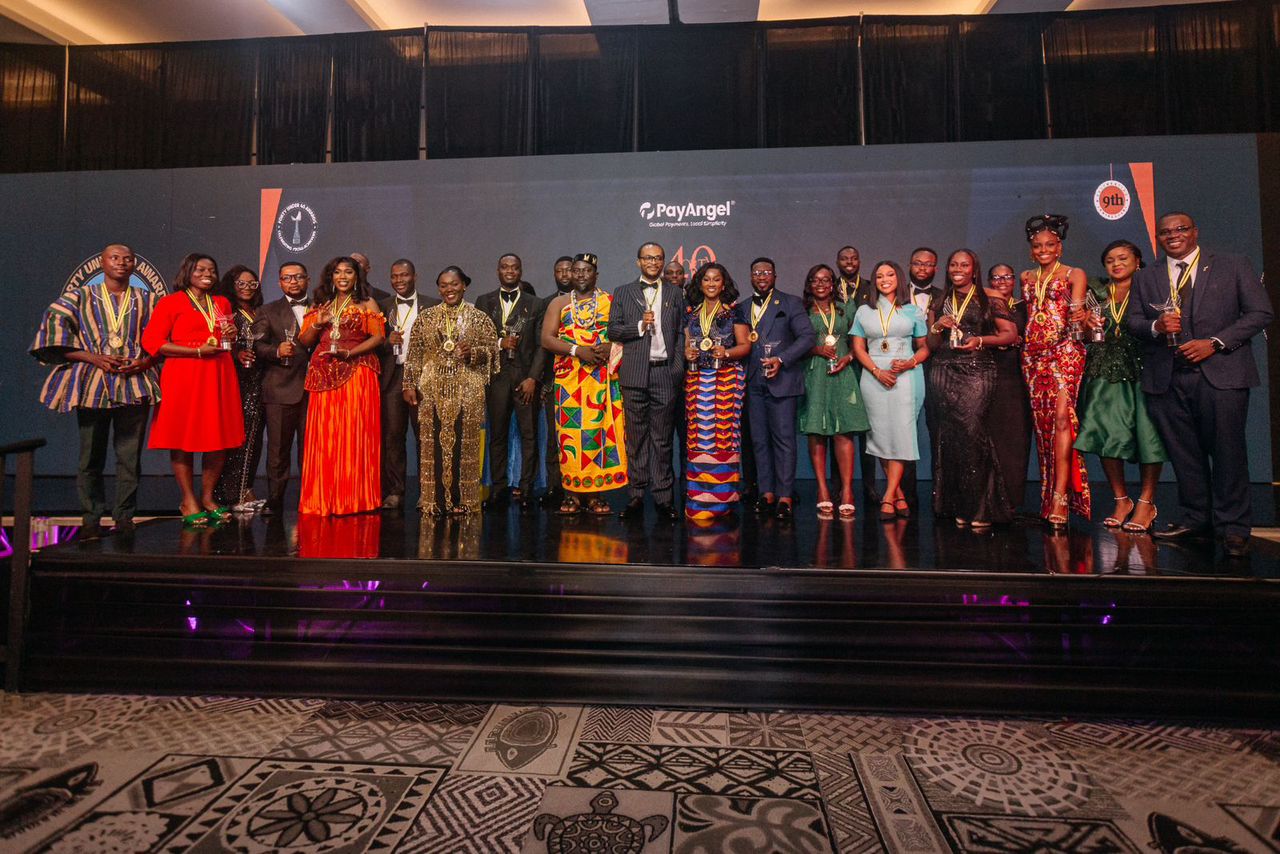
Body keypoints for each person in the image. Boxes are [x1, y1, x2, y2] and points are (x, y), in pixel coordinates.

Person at [1126, 212, 1273, 557]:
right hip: (1166, 378)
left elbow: (1260, 313)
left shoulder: (1233, 265)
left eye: (1180, 229)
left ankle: (1234, 527)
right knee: (1184, 454)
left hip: (1220, 374)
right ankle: (1196, 519)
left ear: (1195, 232)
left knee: (1228, 454)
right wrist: (1155, 328)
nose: (1173, 235)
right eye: (1165, 232)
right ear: (1159, 239)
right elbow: (1134, 321)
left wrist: (1216, 343)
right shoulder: (1146, 276)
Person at [30, 243, 161, 535]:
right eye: (115, 258)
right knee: (91, 455)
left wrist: (144, 362)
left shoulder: (149, 301)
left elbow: (164, 340)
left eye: (128, 259)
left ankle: (124, 517)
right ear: (101, 263)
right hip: (93, 384)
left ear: (135, 265)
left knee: (129, 456)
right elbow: (53, 337)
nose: (122, 263)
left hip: (134, 383)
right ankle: (91, 518)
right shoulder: (78, 297)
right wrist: (93, 357)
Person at [141, 253, 244, 526]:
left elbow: (223, 338)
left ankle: (208, 497)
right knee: (183, 438)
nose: (207, 273)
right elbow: (153, 341)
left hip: (219, 373)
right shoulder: (170, 303)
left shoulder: (221, 302)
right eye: (200, 269)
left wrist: (231, 337)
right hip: (184, 374)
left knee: (218, 438)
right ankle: (188, 499)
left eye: (212, 268)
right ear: (188, 272)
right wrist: (197, 350)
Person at [1073, 241, 1168, 533]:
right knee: (1103, 435)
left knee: (1148, 437)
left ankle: (1146, 502)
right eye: (1110, 260)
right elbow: (1087, 336)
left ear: (1137, 261)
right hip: (1103, 371)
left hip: (1142, 369)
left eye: (1123, 258)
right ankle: (1122, 499)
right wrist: (1087, 324)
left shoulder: (1151, 289)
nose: (1116, 264)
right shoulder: (1097, 292)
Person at [926, 249, 1019, 528]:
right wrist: (937, 328)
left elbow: (1010, 335)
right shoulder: (939, 299)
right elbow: (931, 347)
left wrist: (978, 341)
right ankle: (955, 505)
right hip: (943, 370)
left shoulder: (990, 296)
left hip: (978, 370)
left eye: (964, 265)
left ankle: (982, 508)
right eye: (953, 264)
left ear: (974, 269)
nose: (958, 268)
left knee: (972, 432)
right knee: (949, 436)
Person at [403, 266, 498, 515]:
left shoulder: (479, 318)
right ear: (438, 288)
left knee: (463, 447)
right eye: (444, 285)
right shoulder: (426, 318)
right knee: (432, 446)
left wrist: (473, 353)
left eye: (454, 284)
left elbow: (493, 355)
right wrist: (408, 384)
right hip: (432, 390)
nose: (449, 289)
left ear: (464, 285)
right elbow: (414, 354)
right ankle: (432, 501)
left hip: (467, 389)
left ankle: (463, 501)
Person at [539, 252, 628, 515]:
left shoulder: (610, 301)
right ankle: (571, 494)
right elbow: (546, 339)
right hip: (570, 381)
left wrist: (611, 345)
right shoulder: (559, 303)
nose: (579, 275)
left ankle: (595, 495)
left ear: (595, 275)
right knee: (571, 437)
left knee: (598, 435)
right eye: (576, 271)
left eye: (586, 271)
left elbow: (624, 335)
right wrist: (579, 351)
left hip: (602, 379)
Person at [295, 256, 386, 515]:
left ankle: (354, 498)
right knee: (325, 438)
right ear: (330, 276)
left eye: (348, 272)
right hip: (324, 373)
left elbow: (379, 337)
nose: (343, 276)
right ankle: (323, 497)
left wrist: (350, 353)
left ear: (357, 276)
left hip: (357, 372)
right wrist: (318, 323)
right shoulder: (321, 304)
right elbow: (305, 340)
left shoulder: (367, 303)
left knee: (354, 435)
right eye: (337, 272)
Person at [1020, 214, 1092, 529]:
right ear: (1031, 250)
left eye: (1049, 244)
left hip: (1065, 352)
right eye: (1037, 246)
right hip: (1033, 358)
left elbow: (1076, 314)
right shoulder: (1025, 277)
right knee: (1044, 428)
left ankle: (1062, 496)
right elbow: (1009, 304)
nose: (1043, 250)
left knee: (1063, 421)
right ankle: (1048, 496)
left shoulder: (1075, 273)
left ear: (1059, 246)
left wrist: (1086, 321)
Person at [607, 242, 685, 520]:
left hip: (665, 372)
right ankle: (636, 495)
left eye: (659, 258)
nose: (654, 262)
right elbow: (613, 330)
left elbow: (679, 334)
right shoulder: (623, 292)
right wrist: (639, 326)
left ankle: (664, 497)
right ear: (638, 262)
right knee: (636, 439)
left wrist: (676, 368)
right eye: (648, 258)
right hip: (634, 374)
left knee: (662, 440)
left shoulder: (676, 293)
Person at [736, 257, 815, 519]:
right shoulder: (743, 307)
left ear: (775, 276)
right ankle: (766, 493)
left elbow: (807, 337)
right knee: (759, 441)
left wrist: (781, 359)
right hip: (753, 382)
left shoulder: (790, 303)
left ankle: (785, 495)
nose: (761, 276)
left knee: (784, 441)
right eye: (756, 272)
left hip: (782, 381)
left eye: (766, 272)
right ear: (750, 277)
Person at [851, 261, 929, 521]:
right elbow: (858, 348)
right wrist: (876, 371)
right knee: (881, 436)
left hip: (905, 376)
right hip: (874, 376)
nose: (885, 279)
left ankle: (888, 494)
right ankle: (898, 495)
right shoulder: (864, 311)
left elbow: (924, 347)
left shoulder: (913, 311)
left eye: (890, 274)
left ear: (899, 278)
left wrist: (910, 362)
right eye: (879, 275)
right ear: (874, 281)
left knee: (902, 434)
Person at [798, 263, 869, 518]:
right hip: (814, 373)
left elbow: (859, 342)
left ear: (833, 284)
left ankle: (847, 491)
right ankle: (823, 490)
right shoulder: (802, 310)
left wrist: (848, 358)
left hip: (842, 372)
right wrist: (816, 350)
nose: (821, 284)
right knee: (816, 432)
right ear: (809, 284)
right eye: (815, 280)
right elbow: (794, 343)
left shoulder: (847, 307)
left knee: (844, 433)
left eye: (826, 279)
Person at [681, 262, 750, 521]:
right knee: (699, 437)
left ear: (724, 284)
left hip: (727, 380)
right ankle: (700, 499)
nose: (711, 284)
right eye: (706, 279)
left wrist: (728, 352)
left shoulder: (735, 312)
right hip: (697, 379)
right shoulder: (691, 313)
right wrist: (686, 352)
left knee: (724, 436)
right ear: (700, 283)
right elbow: (687, 343)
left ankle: (722, 500)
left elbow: (745, 346)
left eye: (716, 280)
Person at [476, 253, 542, 511]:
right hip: (496, 377)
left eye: (515, 267)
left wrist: (533, 378)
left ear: (521, 270)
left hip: (525, 378)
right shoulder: (484, 301)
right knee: (498, 435)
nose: (510, 271)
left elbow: (540, 347)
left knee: (529, 435)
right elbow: (476, 339)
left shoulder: (535, 304)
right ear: (498, 270)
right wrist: (499, 343)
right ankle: (499, 488)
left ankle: (526, 489)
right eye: (505, 267)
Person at [252, 262, 314, 516]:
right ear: (279, 282)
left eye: (299, 276)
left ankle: (311, 499)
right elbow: (257, 346)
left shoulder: (323, 308)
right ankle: (275, 499)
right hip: (280, 389)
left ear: (307, 280)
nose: (294, 282)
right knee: (278, 450)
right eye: (287, 278)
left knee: (311, 451)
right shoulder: (268, 310)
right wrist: (276, 351)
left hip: (317, 390)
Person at [377, 259, 438, 510]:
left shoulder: (433, 305)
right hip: (393, 377)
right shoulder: (381, 307)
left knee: (425, 436)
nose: (399, 280)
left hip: (424, 378)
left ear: (415, 276)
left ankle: (428, 491)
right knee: (393, 436)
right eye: (394, 276)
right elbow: (371, 341)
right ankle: (396, 491)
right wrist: (384, 341)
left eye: (404, 275)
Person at [212, 265, 266, 511]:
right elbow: (219, 342)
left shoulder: (259, 311)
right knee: (236, 438)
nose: (247, 288)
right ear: (231, 285)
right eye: (241, 284)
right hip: (235, 379)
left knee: (253, 439)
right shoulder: (226, 310)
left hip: (258, 379)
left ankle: (244, 488)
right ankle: (228, 494)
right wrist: (236, 353)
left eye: (252, 284)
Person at [983, 263, 1033, 513]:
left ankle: (1012, 500)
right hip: (989, 374)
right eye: (996, 277)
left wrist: (1019, 340)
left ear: (1015, 280)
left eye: (1007, 277)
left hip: (1018, 377)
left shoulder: (1026, 307)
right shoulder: (985, 305)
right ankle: (990, 498)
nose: (1002, 281)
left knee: (1015, 440)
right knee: (989, 439)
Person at [531, 256, 575, 507]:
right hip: (554, 381)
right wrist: (540, 380)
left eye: (569, 269)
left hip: (583, 381)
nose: (565, 274)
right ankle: (554, 487)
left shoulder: (595, 302)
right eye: (559, 270)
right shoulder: (546, 303)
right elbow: (542, 347)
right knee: (554, 439)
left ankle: (579, 487)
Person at [835, 245, 877, 502]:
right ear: (837, 261)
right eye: (844, 258)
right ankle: (839, 486)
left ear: (860, 260)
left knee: (865, 429)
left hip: (865, 365)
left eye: (854, 258)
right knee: (838, 428)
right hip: (836, 364)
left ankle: (870, 486)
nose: (849, 262)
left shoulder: (870, 287)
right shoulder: (828, 286)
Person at [902, 246, 940, 511]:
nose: (923, 268)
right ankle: (907, 495)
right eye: (918, 263)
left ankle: (941, 493)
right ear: (910, 266)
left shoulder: (944, 295)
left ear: (935, 269)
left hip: (938, 369)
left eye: (928, 265)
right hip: (905, 367)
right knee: (905, 431)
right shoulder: (896, 294)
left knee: (938, 430)